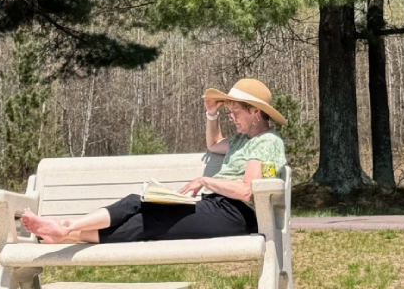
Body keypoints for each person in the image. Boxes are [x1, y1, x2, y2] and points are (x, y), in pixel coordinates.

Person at [21, 78, 288, 244]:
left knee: (143, 215)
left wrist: (206, 180)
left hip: (233, 214)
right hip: (213, 206)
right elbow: (213, 144)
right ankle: (64, 231)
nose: (231, 116)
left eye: (235, 111)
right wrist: (211, 114)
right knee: (137, 209)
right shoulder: (241, 140)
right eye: (228, 111)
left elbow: (245, 190)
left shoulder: (267, 142)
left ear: (255, 112)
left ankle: (65, 229)